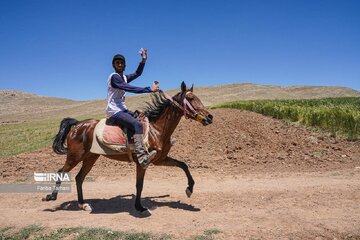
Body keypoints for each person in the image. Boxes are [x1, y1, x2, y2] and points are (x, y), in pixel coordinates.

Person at [106, 48, 159, 169]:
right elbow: (128, 88)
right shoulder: (114, 77)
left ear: (124, 65)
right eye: (117, 63)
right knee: (137, 125)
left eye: (121, 63)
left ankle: (146, 146)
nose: (119, 64)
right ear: (114, 65)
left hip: (122, 109)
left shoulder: (123, 77)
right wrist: (149, 89)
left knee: (143, 118)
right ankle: (142, 158)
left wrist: (144, 60)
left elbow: (137, 73)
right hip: (114, 111)